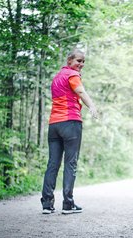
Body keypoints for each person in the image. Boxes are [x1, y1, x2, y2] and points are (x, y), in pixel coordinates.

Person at [40, 49, 98, 215]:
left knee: (53, 164)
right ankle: (68, 204)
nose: (81, 64)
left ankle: (47, 204)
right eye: (78, 61)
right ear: (70, 60)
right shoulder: (72, 75)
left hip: (54, 125)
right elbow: (80, 91)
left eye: (83, 62)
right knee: (70, 163)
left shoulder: (57, 77)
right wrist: (92, 106)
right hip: (70, 122)